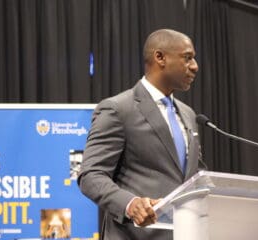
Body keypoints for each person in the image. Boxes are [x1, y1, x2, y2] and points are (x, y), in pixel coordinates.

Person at [78, 28, 201, 240]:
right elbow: (90, 175)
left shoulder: (189, 115)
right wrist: (130, 204)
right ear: (160, 57)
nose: (195, 66)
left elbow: (194, 177)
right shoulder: (118, 109)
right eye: (187, 58)